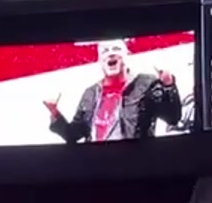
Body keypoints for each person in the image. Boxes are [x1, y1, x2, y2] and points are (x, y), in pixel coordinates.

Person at [45, 40, 182, 144]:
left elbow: (173, 118)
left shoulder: (146, 84)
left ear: (125, 55)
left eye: (116, 49)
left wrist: (168, 86)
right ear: (100, 61)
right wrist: (55, 112)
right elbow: (72, 135)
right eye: (105, 51)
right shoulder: (90, 94)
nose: (110, 54)